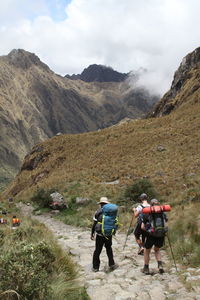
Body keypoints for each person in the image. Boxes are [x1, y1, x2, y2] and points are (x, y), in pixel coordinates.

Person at [91, 197, 118, 272]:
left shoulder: (98, 212)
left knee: (97, 250)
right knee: (109, 248)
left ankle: (95, 267)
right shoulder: (111, 212)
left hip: (100, 234)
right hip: (108, 234)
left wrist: (92, 233)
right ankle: (112, 264)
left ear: (100, 204)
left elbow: (94, 223)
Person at [141, 198, 168, 274]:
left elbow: (142, 227)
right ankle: (160, 265)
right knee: (157, 250)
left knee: (147, 251)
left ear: (151, 205)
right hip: (161, 234)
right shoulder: (163, 213)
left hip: (151, 235)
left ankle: (146, 268)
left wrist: (148, 230)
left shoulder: (147, 213)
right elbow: (166, 222)